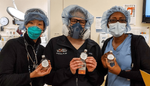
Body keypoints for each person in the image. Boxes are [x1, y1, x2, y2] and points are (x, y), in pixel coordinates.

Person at [44, 5, 105, 86]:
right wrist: (69, 71)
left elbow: (99, 82)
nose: (78, 25)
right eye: (74, 20)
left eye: (82, 22)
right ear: (67, 21)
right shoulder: (54, 43)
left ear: (86, 24)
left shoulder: (94, 46)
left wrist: (92, 71)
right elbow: (47, 78)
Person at [0, 8, 52, 86]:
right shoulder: (12, 45)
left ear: (43, 28)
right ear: (25, 25)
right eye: (31, 22)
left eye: (39, 24)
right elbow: (2, 79)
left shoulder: (42, 50)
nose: (35, 27)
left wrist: (47, 72)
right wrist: (31, 75)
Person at [101, 6, 150, 86]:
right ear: (107, 24)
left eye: (122, 20)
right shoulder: (107, 43)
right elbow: (105, 72)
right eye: (113, 20)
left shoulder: (137, 42)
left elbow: (148, 74)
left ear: (126, 24)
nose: (117, 23)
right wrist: (103, 66)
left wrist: (121, 72)